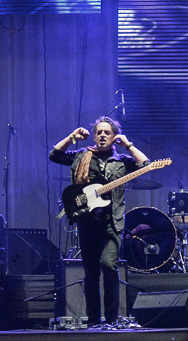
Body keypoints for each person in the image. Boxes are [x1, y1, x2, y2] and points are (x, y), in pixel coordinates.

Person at [49, 117, 149, 328]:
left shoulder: (121, 161)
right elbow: (54, 155)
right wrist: (71, 137)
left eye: (107, 132)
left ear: (114, 137)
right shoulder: (81, 155)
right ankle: (94, 321)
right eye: (99, 132)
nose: (102, 135)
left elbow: (146, 164)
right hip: (87, 222)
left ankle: (111, 321)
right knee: (91, 273)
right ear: (94, 136)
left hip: (112, 222)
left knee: (109, 266)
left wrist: (128, 144)